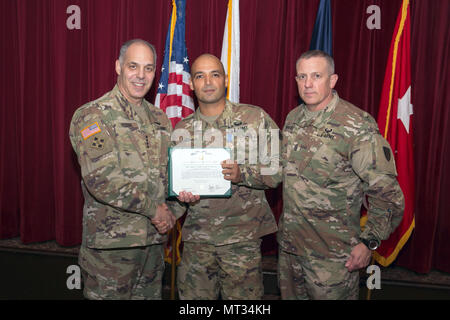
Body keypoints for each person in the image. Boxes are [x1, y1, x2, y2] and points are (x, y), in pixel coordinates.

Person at [278, 50, 405, 300]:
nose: (308, 84)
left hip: (333, 258)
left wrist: (369, 241)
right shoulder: (293, 118)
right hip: (291, 251)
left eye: (316, 76)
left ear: (333, 80)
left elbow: (388, 194)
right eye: (301, 76)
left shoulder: (356, 125)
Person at [69, 39, 176, 300]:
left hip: (152, 244)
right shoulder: (93, 116)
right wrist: (155, 210)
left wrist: (173, 210)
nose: (141, 75)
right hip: (112, 250)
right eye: (133, 66)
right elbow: (103, 180)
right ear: (118, 66)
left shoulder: (159, 119)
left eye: (149, 68)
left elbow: (168, 176)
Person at [170, 54, 281, 300]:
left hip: (242, 242)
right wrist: (181, 197)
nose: (208, 81)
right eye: (200, 76)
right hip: (197, 243)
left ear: (226, 79)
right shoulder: (182, 130)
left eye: (215, 74)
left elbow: (278, 170)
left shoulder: (255, 119)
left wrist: (244, 174)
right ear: (191, 84)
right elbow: (176, 185)